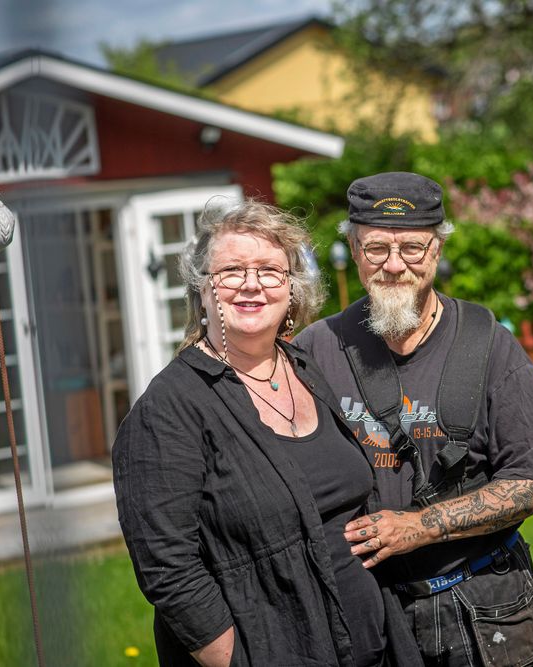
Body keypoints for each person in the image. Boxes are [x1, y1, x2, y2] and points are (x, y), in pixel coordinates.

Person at [112, 199, 421, 667]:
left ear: (291, 290)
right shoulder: (169, 408)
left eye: (271, 271)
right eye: (232, 271)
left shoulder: (305, 369)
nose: (252, 285)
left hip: (371, 645)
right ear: (201, 288)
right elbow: (168, 569)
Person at [295, 172, 533, 667]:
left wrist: (421, 527)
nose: (394, 265)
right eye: (376, 248)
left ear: (437, 251)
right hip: (370, 609)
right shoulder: (316, 350)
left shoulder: (488, 345)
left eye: (413, 249)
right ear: (355, 251)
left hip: (484, 604)